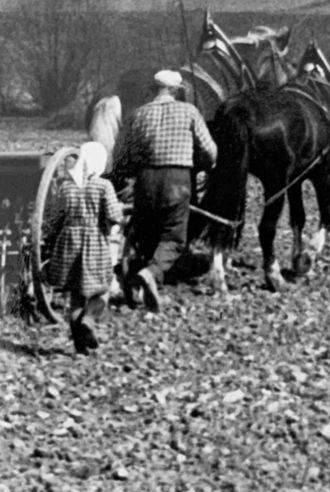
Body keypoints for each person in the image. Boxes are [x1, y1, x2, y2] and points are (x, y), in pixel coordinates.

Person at [111, 68, 217, 312]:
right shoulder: (189, 111)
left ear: (153, 90)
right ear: (176, 91)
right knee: (174, 237)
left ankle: (146, 282)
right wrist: (204, 165)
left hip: (145, 181)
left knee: (147, 234)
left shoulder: (138, 114)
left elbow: (121, 156)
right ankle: (152, 273)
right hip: (177, 180)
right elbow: (209, 151)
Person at [41, 141, 123, 354]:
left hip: (68, 242)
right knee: (103, 289)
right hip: (94, 241)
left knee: (75, 295)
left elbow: (54, 219)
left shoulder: (65, 186)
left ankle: (79, 347)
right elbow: (115, 216)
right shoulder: (104, 186)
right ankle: (89, 318)